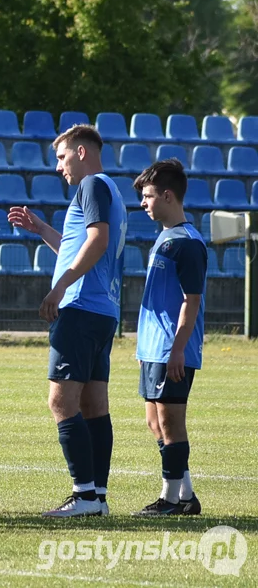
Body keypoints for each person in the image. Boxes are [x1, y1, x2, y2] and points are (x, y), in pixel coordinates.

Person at [9, 124, 125, 518]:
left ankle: (84, 494)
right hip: (101, 311)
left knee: (60, 401)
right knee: (94, 406)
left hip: (79, 309)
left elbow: (96, 243)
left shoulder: (91, 186)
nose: (59, 167)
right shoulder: (109, 190)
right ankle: (98, 497)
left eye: (61, 157)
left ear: (80, 151)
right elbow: (80, 248)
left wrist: (59, 289)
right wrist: (42, 229)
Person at [131, 159, 205, 517]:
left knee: (171, 423)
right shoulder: (165, 238)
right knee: (155, 422)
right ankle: (186, 496)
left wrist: (178, 348)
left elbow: (192, 301)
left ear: (168, 195)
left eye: (148, 196)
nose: (143, 203)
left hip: (171, 348)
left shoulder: (188, 243)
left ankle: (170, 499)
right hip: (153, 348)